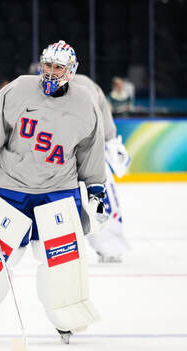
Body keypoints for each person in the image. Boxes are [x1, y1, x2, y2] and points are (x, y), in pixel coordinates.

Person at [0, 40, 107, 344]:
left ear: (71, 70)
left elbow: (91, 153)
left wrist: (95, 189)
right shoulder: (17, 90)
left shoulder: (85, 104)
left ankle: (64, 318)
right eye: (47, 65)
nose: (51, 73)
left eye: (58, 67)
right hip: (11, 187)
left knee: (58, 261)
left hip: (59, 191)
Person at [74, 74, 131, 263]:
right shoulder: (45, 90)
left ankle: (110, 245)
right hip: (65, 156)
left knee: (99, 199)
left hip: (92, 156)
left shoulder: (86, 86)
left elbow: (105, 120)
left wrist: (111, 141)